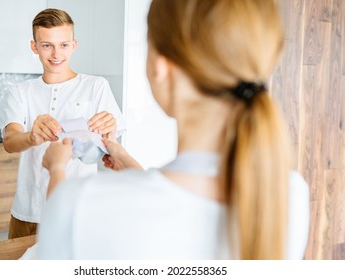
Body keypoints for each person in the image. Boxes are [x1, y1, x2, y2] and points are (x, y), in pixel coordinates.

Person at [37, 0, 310, 259]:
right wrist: (132, 167)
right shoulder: (290, 194)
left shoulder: (82, 204)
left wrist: (57, 169)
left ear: (160, 68)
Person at [2, 8, 125, 239]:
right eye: (47, 45)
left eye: (64, 45)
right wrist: (32, 136)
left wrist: (111, 128)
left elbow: (111, 146)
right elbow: (9, 141)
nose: (56, 53)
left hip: (77, 211)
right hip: (27, 213)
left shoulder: (96, 86)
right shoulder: (21, 91)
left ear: (74, 45)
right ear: (34, 47)